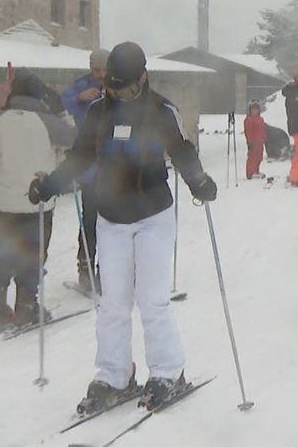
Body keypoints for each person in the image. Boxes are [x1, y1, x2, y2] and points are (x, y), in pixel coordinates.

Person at [26, 42, 218, 413]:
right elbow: (80, 155)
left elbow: (180, 150)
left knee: (152, 300)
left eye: (127, 88)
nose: (120, 95)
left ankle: (167, 371)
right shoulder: (99, 112)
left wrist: (199, 182)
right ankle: (114, 375)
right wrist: (50, 185)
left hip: (153, 217)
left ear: (143, 78)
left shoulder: (162, 111)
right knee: (112, 303)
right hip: (112, 218)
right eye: (114, 88)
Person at [0, 70, 75, 330]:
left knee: (1, 253)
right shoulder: (48, 121)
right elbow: (73, 139)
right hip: (37, 201)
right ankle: (26, 307)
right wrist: (61, 113)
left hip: (1, 202)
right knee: (32, 255)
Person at [60, 48, 108, 294]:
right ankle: (85, 270)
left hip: (114, 168)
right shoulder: (81, 85)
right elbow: (61, 103)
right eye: (96, 69)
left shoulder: (116, 86)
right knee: (90, 220)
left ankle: (106, 271)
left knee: (112, 223)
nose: (100, 75)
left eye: (104, 70)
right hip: (89, 166)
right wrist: (79, 98)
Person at [243, 101, 266, 179]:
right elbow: (248, 132)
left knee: (259, 157)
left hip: (260, 141)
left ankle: (256, 170)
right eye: (253, 109)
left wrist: (264, 138)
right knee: (252, 157)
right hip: (253, 142)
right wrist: (249, 142)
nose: (255, 111)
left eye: (256, 109)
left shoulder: (260, 119)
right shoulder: (248, 120)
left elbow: (263, 129)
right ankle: (250, 172)